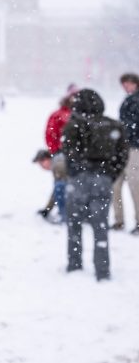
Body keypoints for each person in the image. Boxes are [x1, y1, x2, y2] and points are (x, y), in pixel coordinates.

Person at [62, 89, 128, 281]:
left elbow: (68, 151)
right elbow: (122, 155)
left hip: (78, 180)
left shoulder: (73, 125)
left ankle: (74, 264)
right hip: (103, 178)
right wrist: (110, 174)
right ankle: (102, 270)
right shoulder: (113, 125)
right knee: (100, 226)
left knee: (74, 223)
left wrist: (76, 171)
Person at [43, 84, 78, 224]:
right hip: (62, 154)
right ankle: (64, 214)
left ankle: (65, 213)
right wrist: (57, 149)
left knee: (70, 185)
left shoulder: (78, 115)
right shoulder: (59, 115)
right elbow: (50, 134)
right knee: (61, 185)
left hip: (75, 155)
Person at [112, 72, 139, 235]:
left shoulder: (135, 101)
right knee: (116, 184)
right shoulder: (128, 100)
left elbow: (131, 125)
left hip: (134, 148)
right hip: (123, 148)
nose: (126, 86)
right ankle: (118, 220)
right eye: (124, 84)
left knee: (134, 185)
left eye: (129, 83)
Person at [32, 149, 57, 221]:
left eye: (41, 163)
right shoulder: (57, 164)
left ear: (46, 159)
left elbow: (59, 191)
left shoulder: (58, 165)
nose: (41, 167)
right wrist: (48, 209)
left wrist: (48, 209)